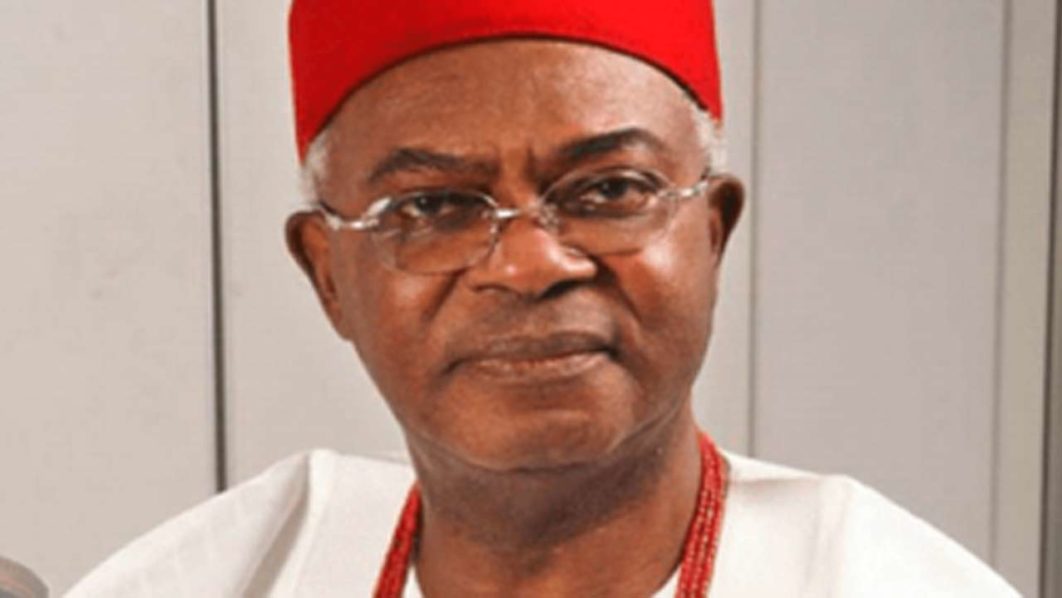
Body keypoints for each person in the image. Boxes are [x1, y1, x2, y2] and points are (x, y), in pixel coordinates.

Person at [70, 0, 1019, 596]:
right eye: (432, 206)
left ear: (711, 233)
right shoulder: (227, 574)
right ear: (328, 275)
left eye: (608, 190)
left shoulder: (874, 579)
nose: (528, 266)